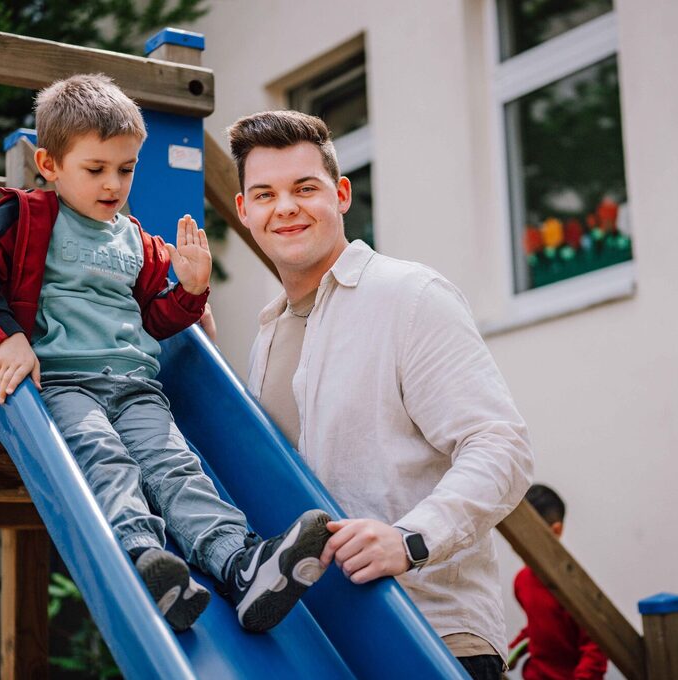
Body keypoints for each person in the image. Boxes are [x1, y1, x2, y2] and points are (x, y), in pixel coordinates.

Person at [0, 74, 332, 634]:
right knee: (105, 458)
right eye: (96, 169)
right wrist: (8, 336)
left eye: (125, 169)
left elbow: (154, 318)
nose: (113, 184)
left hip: (138, 388)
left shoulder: (138, 242)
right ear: (50, 165)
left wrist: (191, 292)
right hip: (65, 383)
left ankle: (238, 563)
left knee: (176, 466)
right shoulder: (28, 218)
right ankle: (144, 559)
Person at [228, 110, 534, 679]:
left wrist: (410, 539)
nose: (285, 207)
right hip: (319, 647)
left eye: (305, 188)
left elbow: (500, 446)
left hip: (432, 636)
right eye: (265, 194)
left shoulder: (410, 296)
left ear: (341, 195)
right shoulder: (266, 334)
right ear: (245, 211)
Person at [509, 484, 607, 679]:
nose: (518, 545)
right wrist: (511, 651)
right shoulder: (521, 581)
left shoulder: (574, 586)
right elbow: (538, 627)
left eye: (526, 537)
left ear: (555, 531)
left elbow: (595, 647)